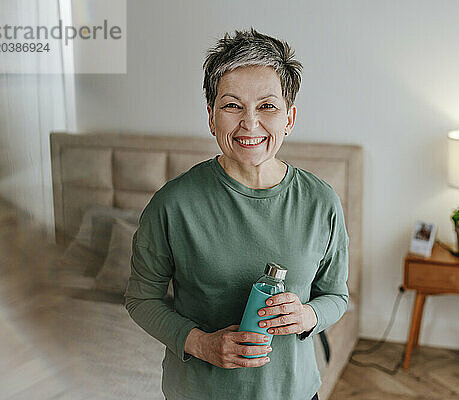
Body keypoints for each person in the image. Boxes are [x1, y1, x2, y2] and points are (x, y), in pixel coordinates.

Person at [124, 27, 349, 400]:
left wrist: (308, 316)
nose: (250, 123)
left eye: (267, 106)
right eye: (232, 105)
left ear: (289, 118)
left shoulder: (321, 201)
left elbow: (336, 296)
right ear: (211, 117)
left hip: (293, 392)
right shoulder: (173, 203)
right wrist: (201, 344)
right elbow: (141, 299)